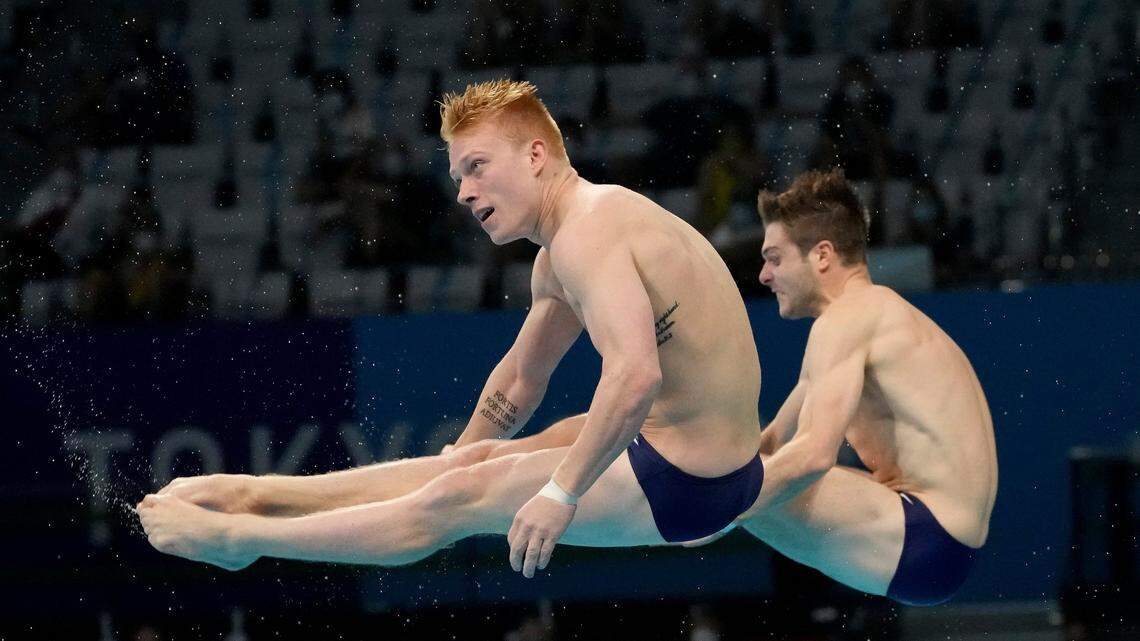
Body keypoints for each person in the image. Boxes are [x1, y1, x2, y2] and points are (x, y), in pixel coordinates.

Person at [137, 79, 765, 578]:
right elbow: (520, 378)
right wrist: (458, 457)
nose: (464, 192)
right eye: (459, 175)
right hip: (703, 460)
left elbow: (634, 376)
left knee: (452, 507)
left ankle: (242, 539)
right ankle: (257, 494)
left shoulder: (587, 235)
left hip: (692, 485)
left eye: (477, 166)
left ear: (537, 155)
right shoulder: (567, 246)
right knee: (471, 470)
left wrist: (560, 494)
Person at [730, 168, 998, 606]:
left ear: (822, 255)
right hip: (939, 543)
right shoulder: (872, 316)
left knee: (716, 474)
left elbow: (814, 456)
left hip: (923, 536)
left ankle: (582, 498)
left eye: (774, 258)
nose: (763, 275)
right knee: (725, 469)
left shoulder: (848, 321)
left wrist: (718, 511)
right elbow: (773, 443)